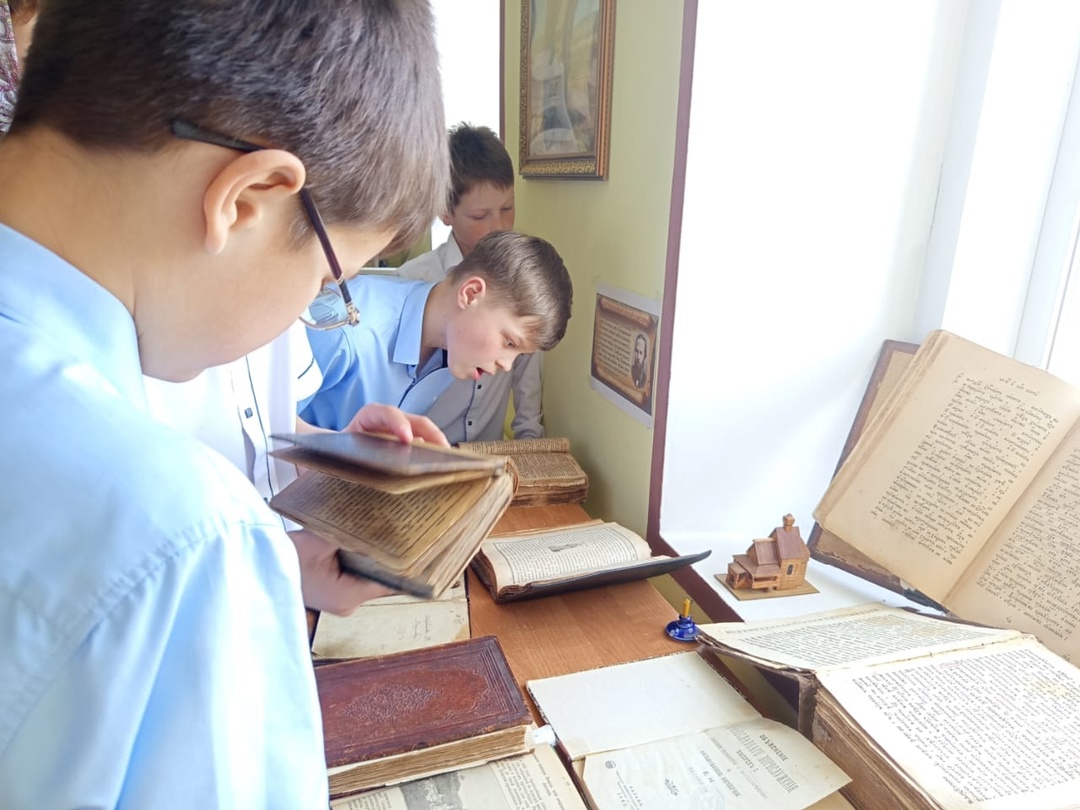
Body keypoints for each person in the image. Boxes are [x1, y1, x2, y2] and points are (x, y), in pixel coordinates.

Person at [0, 1, 448, 807]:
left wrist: (314, 496)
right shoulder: (188, 535)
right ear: (244, 200)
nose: (315, 307)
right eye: (328, 284)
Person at [301, 230, 573, 436]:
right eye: (509, 342)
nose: (506, 365)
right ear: (470, 294)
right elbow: (273, 429)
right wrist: (342, 450)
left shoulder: (451, 345)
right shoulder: (345, 329)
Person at [397, 122, 546, 442]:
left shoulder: (523, 282)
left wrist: (530, 445)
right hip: (425, 454)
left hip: (490, 454)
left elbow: (527, 387)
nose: (499, 226)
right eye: (481, 216)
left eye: (507, 208)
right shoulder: (414, 282)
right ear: (445, 212)